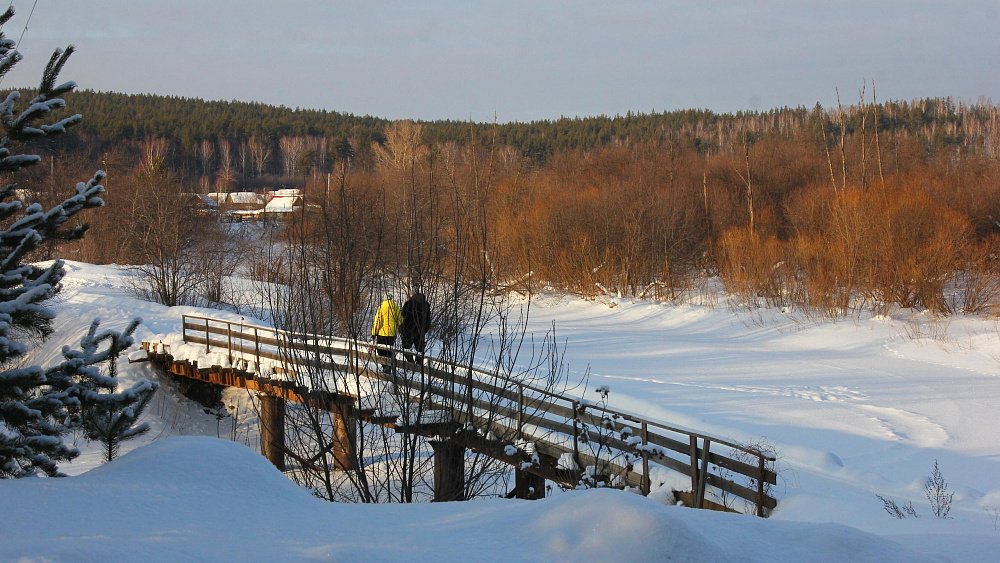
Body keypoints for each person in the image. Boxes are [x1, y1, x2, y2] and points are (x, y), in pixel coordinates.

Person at [371, 293, 401, 373]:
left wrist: (374, 333)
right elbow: (400, 320)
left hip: (382, 334)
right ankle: (389, 365)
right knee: (389, 350)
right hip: (392, 334)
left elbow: (378, 321)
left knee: (380, 350)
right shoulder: (396, 307)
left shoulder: (381, 307)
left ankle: (385, 366)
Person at [400, 290, 431, 364]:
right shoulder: (425, 305)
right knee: (420, 350)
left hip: (408, 330)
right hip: (420, 331)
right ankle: (419, 365)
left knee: (405, 348)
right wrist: (424, 330)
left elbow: (403, 317)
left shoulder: (408, 304)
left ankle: (410, 362)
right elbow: (428, 320)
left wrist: (402, 329)